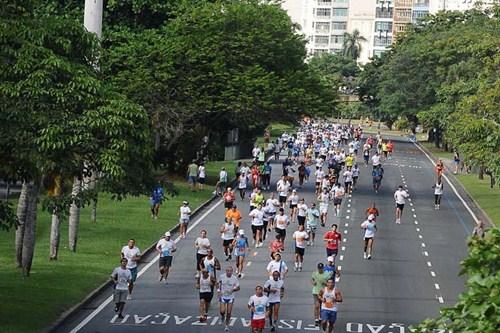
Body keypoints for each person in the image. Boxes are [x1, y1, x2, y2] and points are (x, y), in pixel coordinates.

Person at [218, 266, 240, 331]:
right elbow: (217, 283)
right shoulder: (222, 276)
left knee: (229, 312)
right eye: (228, 271)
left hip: (231, 297)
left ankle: (226, 325)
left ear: (232, 272)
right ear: (226, 271)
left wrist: (233, 290)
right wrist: (218, 291)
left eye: (230, 271)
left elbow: (238, 288)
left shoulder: (234, 278)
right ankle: (222, 316)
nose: (229, 272)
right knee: (222, 311)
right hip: (223, 296)